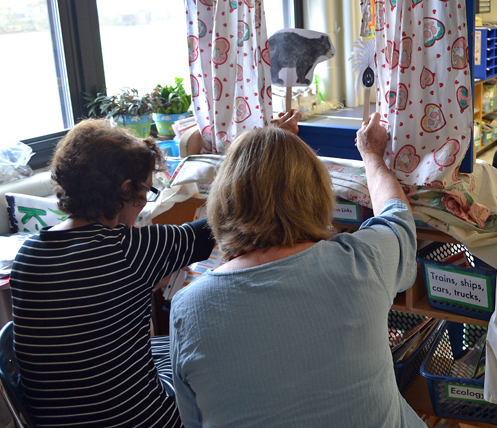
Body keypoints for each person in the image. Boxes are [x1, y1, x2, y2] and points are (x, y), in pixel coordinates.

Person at [169, 112, 426, 428]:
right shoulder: (361, 260)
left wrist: (266, 149)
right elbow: (397, 217)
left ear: (224, 201)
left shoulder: (189, 307)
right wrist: (372, 156)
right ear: (318, 195)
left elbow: (194, 419)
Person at [9, 118, 219, 427]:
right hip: (134, 420)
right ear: (125, 189)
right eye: (146, 190)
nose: (145, 201)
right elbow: (209, 231)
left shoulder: (28, 254)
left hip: (53, 420)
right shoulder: (126, 247)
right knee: (209, 368)